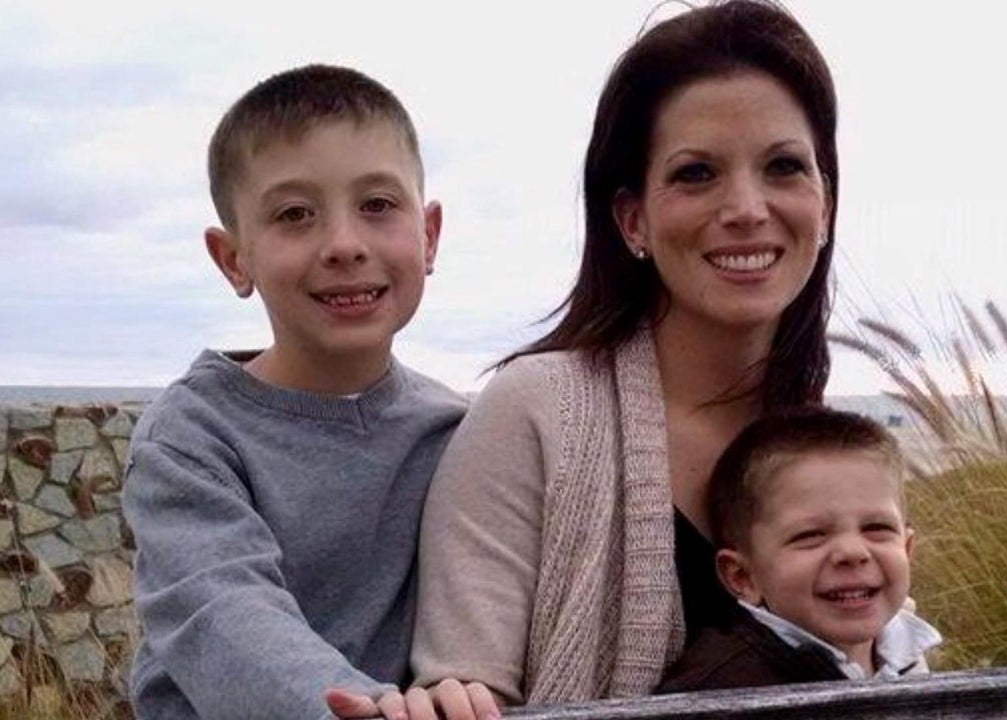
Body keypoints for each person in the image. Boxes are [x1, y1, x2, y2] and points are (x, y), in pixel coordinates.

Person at [328, 1, 840, 717]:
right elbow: (467, 689)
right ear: (632, 220)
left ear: (825, 204)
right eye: (697, 173)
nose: (747, 207)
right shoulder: (536, 413)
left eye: (784, 167)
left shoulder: (827, 448)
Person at [123, 64, 465, 720]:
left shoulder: (455, 431)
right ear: (233, 259)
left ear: (428, 236)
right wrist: (364, 709)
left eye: (377, 205)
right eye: (294, 214)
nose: (344, 245)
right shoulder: (189, 439)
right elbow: (223, 619)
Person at [656, 409, 942, 692]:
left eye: (876, 527)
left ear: (907, 550)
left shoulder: (909, 656)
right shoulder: (720, 691)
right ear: (743, 577)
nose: (853, 552)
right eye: (810, 535)